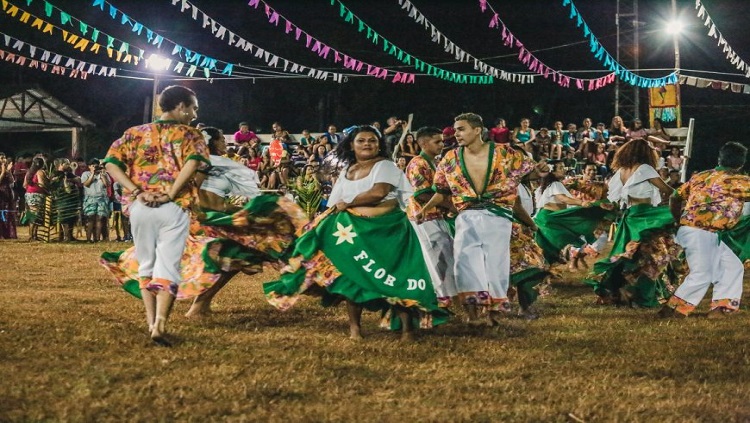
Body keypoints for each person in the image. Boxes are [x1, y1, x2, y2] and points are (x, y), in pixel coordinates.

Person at [264, 125, 448, 341]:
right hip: (354, 232)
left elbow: (378, 193)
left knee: (397, 278)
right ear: (351, 145)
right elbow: (334, 204)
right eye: (361, 140)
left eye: (372, 140)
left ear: (379, 144)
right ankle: (355, 329)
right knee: (353, 277)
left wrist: (348, 202)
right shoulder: (346, 171)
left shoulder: (385, 166)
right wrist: (319, 223)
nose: (367, 143)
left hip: (389, 232)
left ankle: (407, 330)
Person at [102, 85, 210, 346]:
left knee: (146, 264)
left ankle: (151, 322)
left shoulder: (134, 133)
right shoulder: (190, 134)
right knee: (168, 265)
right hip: (173, 207)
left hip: (141, 208)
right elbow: (195, 163)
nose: (195, 113)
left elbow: (111, 164)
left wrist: (137, 191)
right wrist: (172, 192)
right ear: (180, 107)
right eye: (193, 107)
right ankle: (160, 322)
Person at [417, 113, 543, 325]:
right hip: (466, 216)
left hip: (498, 216)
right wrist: (425, 209)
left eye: (461, 129)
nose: (456, 133)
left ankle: (494, 314)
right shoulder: (450, 158)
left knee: (496, 264)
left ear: (477, 130)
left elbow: (530, 172)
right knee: (465, 264)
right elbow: (440, 191)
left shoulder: (504, 153)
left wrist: (538, 171)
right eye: (455, 130)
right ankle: (473, 315)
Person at [585, 139, 681, 308]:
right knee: (651, 258)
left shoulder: (621, 171)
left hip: (629, 218)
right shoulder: (645, 169)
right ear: (644, 153)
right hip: (645, 217)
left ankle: (623, 292)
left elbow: (613, 197)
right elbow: (669, 190)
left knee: (629, 258)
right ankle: (643, 297)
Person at [659, 142, 750, 318]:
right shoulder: (740, 182)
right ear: (741, 164)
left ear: (719, 158)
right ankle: (673, 310)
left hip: (693, 231)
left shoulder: (700, 176)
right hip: (703, 233)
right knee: (703, 273)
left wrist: (679, 221)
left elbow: (674, 197)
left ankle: (721, 307)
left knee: (733, 266)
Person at [405, 127, 457, 309]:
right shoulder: (417, 164)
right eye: (438, 141)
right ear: (424, 144)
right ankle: (439, 299)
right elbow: (421, 194)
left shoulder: (433, 162)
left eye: (442, 141)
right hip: (424, 218)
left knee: (445, 256)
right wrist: (451, 206)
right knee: (436, 259)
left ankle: (446, 297)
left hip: (435, 216)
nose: (442, 145)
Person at [533, 161, 613, 270]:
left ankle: (551, 266)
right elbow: (563, 198)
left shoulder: (557, 184)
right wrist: (581, 203)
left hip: (552, 217)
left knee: (551, 246)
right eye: (561, 167)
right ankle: (568, 254)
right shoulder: (556, 184)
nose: (564, 168)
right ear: (553, 172)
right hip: (551, 219)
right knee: (566, 239)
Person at [81, 159, 110, 243]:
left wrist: (102, 175)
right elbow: (86, 184)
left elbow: (107, 184)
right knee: (90, 218)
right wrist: (93, 174)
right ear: (89, 166)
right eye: (92, 165)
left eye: (96, 165)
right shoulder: (86, 174)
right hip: (90, 199)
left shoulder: (104, 174)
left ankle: (97, 238)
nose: (94, 167)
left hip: (102, 199)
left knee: (99, 218)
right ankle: (88, 239)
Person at [23, 156, 48, 241]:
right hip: (37, 195)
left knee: (31, 215)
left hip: (28, 195)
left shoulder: (29, 172)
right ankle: (33, 236)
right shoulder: (40, 171)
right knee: (36, 216)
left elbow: (24, 185)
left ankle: (32, 235)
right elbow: (41, 184)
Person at [0, 153, 17, 239]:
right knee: (2, 213)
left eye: (4, 157)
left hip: (8, 193)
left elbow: (12, 182)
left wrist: (9, 171)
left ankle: (9, 234)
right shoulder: (2, 170)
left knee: (9, 213)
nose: (4, 160)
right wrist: (3, 172)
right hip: (1, 194)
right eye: (2, 158)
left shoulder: (7, 169)